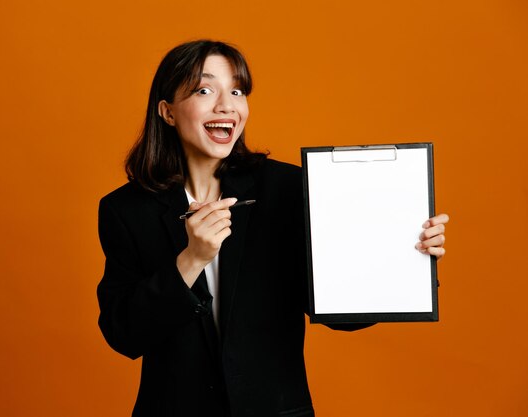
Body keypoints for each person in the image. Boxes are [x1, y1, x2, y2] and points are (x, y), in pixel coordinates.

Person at [97, 40, 449, 417]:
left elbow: (342, 313)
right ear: (167, 111)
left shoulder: (287, 189)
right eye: (204, 90)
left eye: (237, 90)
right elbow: (124, 333)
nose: (226, 105)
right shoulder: (126, 210)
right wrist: (190, 261)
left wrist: (406, 257)